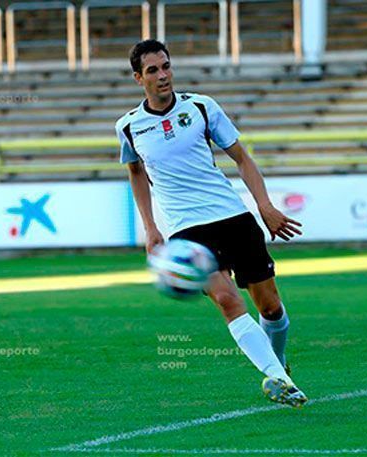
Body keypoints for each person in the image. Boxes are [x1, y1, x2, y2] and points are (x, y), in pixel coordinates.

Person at [115, 39, 307, 407]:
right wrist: (151, 229)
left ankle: (278, 364)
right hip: (186, 231)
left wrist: (264, 205)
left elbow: (242, 159)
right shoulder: (128, 127)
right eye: (153, 70)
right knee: (226, 298)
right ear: (139, 78)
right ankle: (280, 380)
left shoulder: (202, 107)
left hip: (233, 218)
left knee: (270, 308)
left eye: (166, 66)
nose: (163, 75)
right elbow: (136, 173)